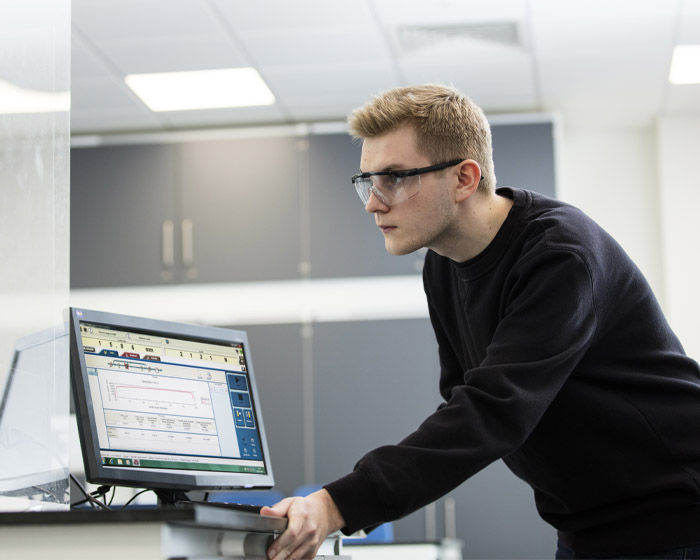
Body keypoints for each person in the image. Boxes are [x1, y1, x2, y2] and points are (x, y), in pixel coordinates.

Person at [261, 84, 700, 560]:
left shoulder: (560, 256)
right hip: (585, 527)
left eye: (394, 178)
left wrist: (339, 503)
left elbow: (493, 411)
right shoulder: (443, 264)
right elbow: (462, 398)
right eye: (368, 181)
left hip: (674, 517)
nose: (373, 202)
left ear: (465, 178)